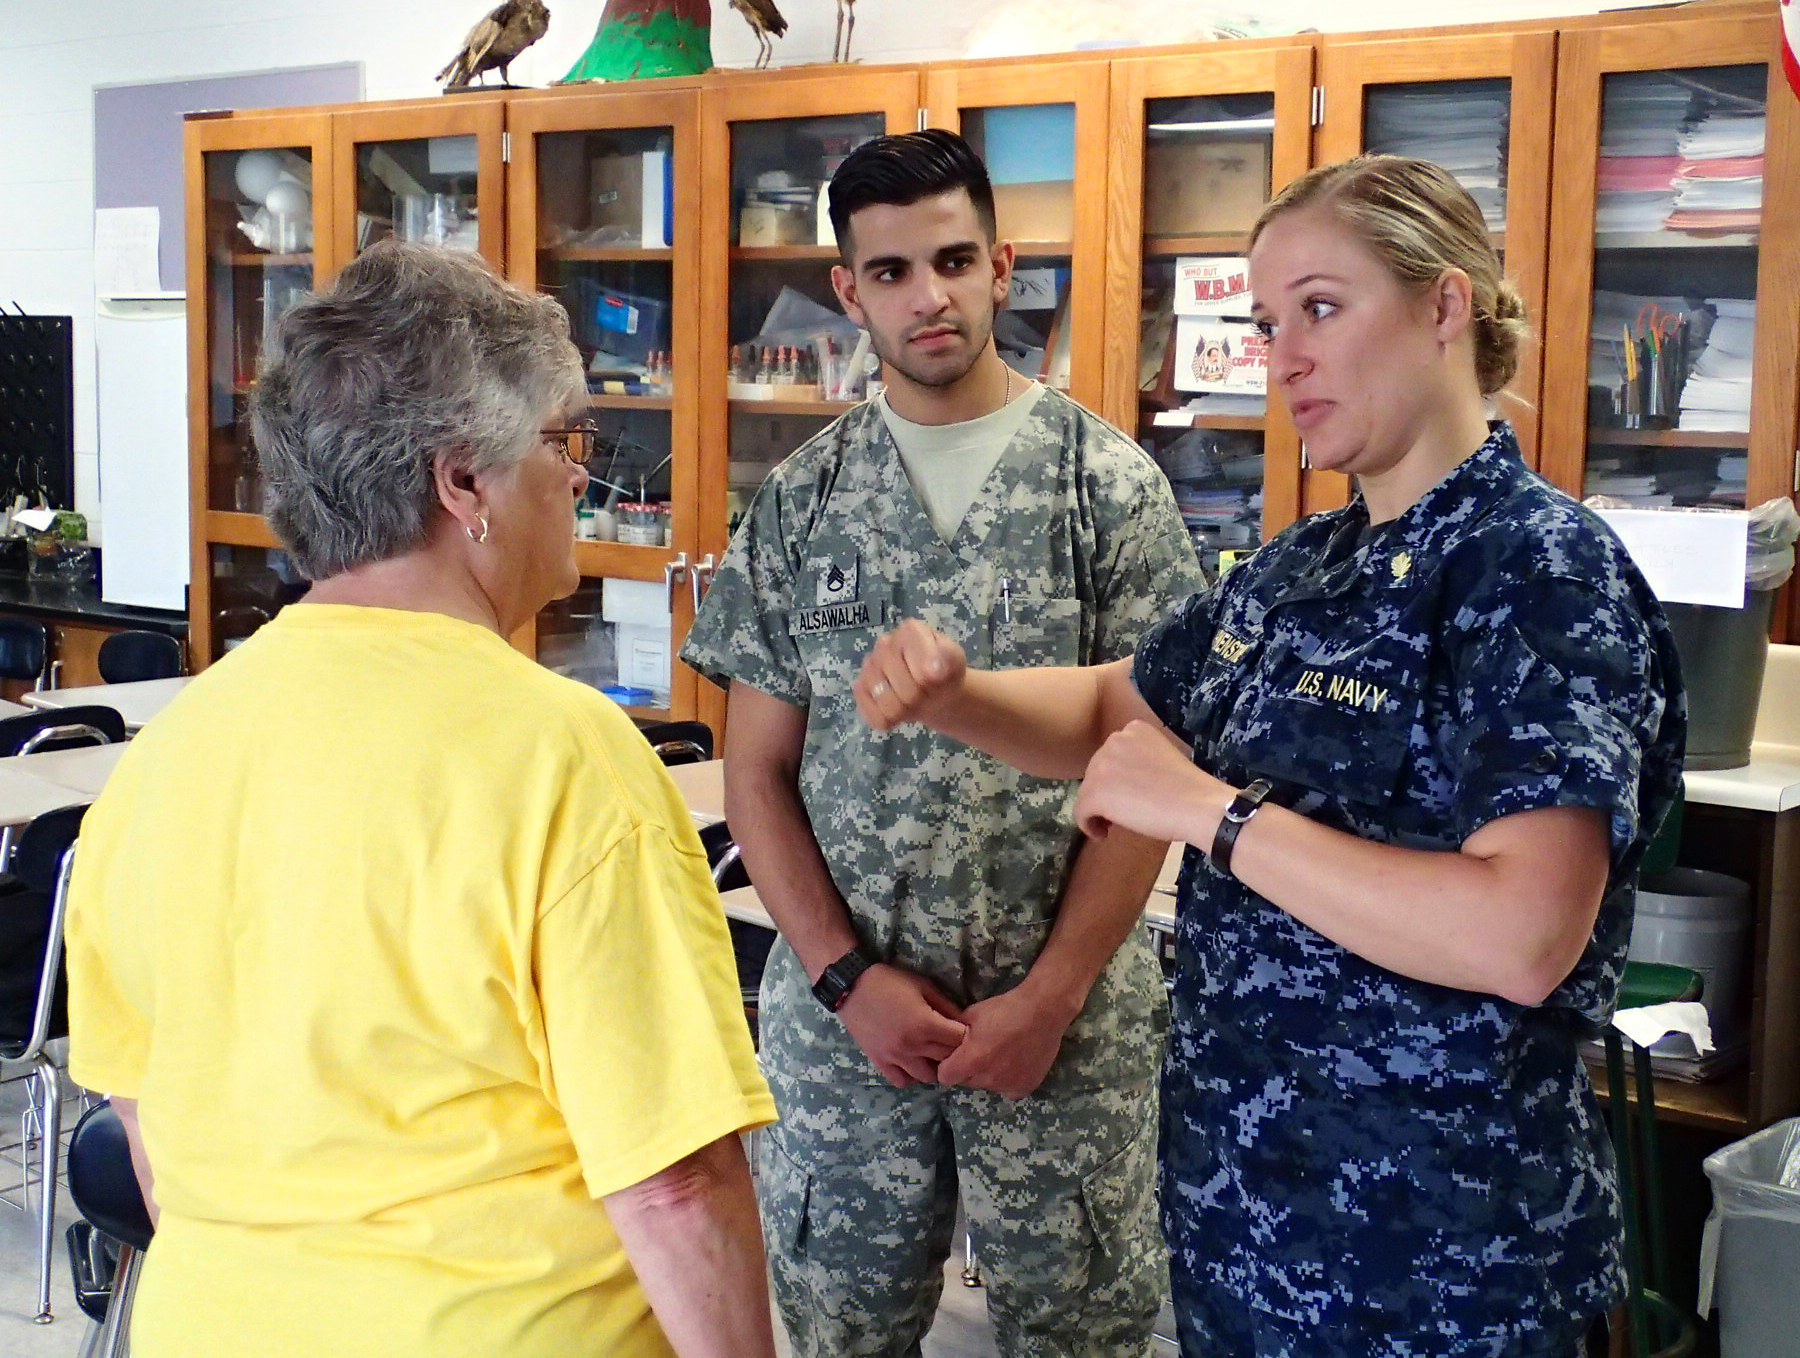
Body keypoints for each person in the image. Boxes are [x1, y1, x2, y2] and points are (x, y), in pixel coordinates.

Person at [854, 154, 1687, 1358]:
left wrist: (1215, 814)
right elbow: (1109, 708)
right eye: (1265, 321)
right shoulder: (1307, 566)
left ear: (1444, 307)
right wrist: (953, 696)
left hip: (1437, 1270)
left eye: (1322, 308)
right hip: (1248, 1233)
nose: (1282, 354)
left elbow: (1521, 933)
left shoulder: (1536, 568)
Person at [63, 243, 778, 1358]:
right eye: (565, 439)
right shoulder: (565, 758)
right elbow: (674, 1182)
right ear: (464, 483)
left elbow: (149, 1130)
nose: (580, 476)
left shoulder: (163, 757)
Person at [680, 128, 1205, 1357]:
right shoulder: (801, 501)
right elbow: (754, 776)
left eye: (955, 261)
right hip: (847, 1028)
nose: (931, 296)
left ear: (1003, 267)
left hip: (1065, 1030)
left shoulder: (1107, 489)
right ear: (850, 290)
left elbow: (1149, 772)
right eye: (895, 272)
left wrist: (1051, 996)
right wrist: (846, 980)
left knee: (1082, 1333)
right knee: (835, 1329)